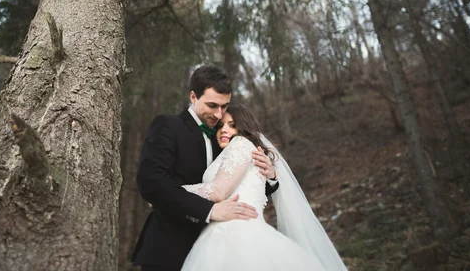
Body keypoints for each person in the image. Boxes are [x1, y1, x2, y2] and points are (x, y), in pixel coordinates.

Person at [132, 66, 279, 271]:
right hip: (170, 247)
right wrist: (210, 210)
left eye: (224, 106)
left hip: (218, 250)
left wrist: (270, 177)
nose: (219, 114)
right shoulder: (168, 125)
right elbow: (151, 183)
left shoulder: (224, 139)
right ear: (193, 96)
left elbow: (240, 185)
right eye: (212, 105)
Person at [180, 104, 348, 271]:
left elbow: (218, 191)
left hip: (237, 235)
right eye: (220, 125)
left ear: (243, 127)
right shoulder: (222, 152)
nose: (224, 130)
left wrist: (171, 191)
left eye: (232, 125)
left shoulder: (241, 145)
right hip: (224, 230)